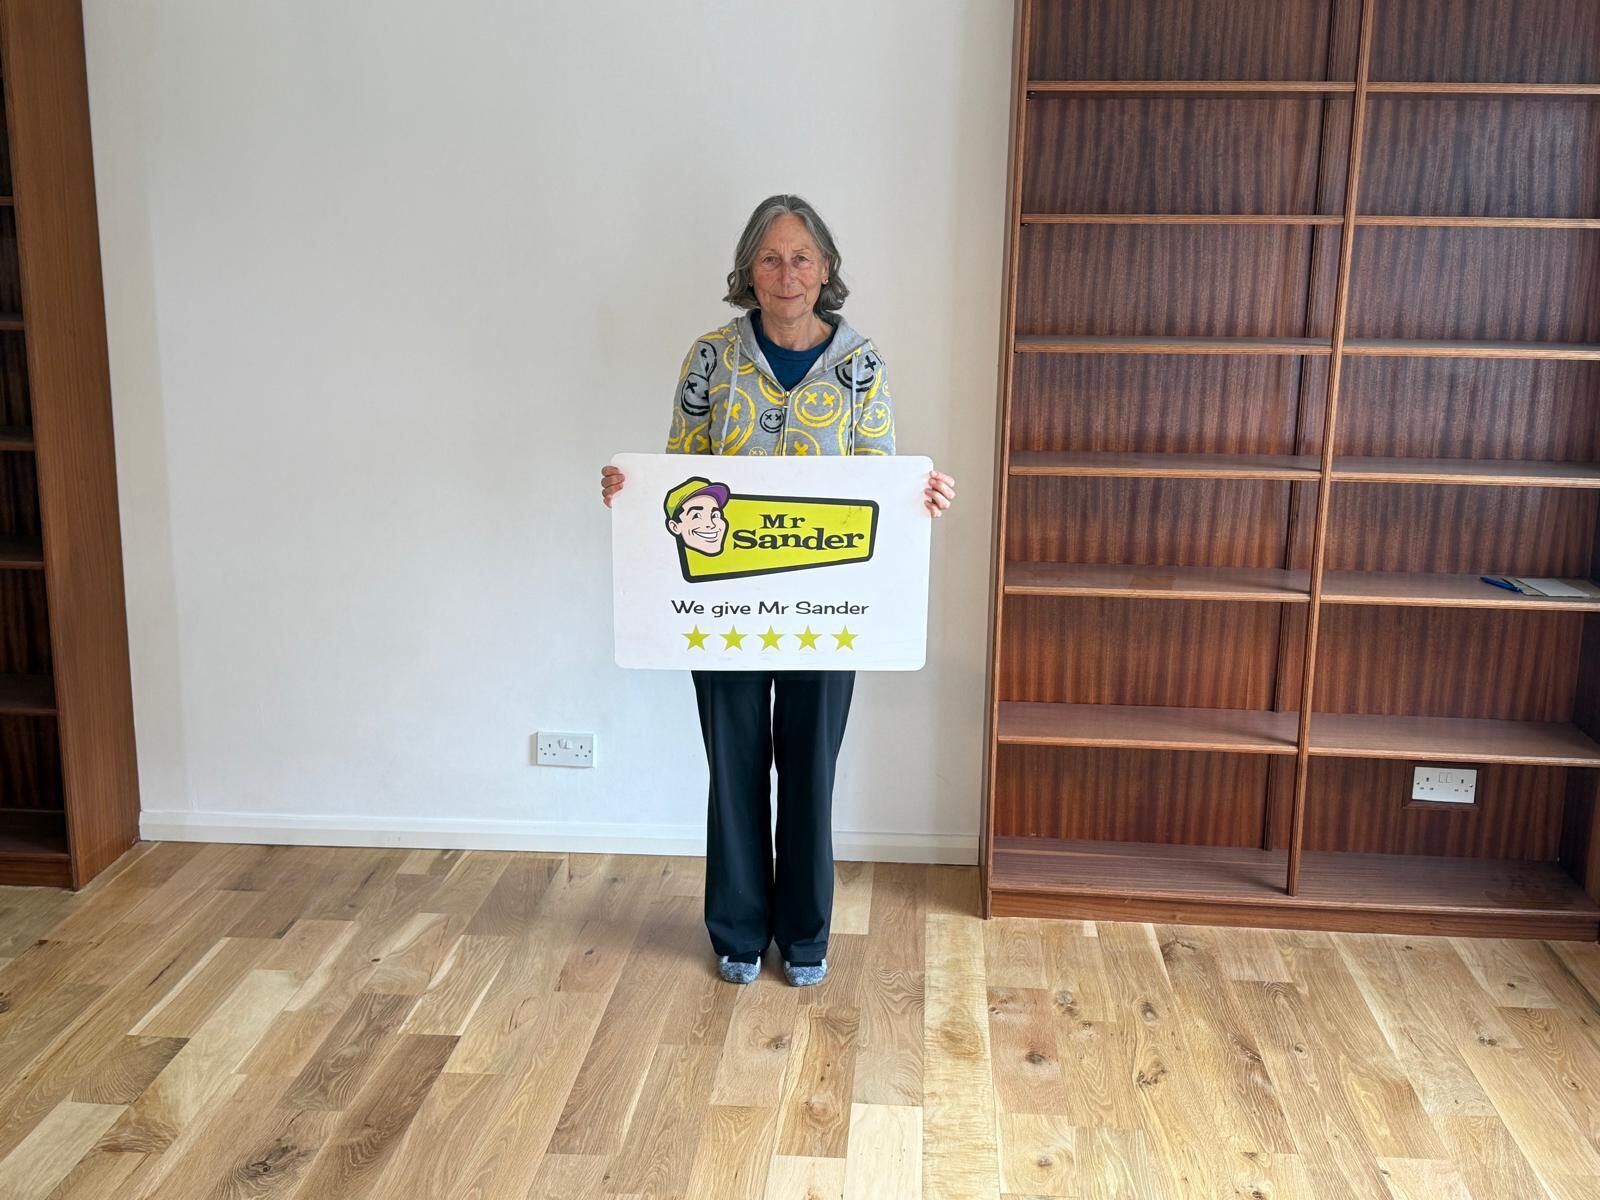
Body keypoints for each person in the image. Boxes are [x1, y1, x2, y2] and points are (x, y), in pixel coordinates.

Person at [600, 194, 955, 986]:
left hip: (831, 607)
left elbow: (881, 481)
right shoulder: (711, 359)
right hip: (723, 602)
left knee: (809, 768)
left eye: (801, 257)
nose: (786, 273)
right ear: (747, 271)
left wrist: (919, 498)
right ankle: (735, 928)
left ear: (825, 270)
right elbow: (678, 477)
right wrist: (630, 490)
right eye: (770, 257)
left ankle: (804, 935)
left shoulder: (862, 365)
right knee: (733, 763)